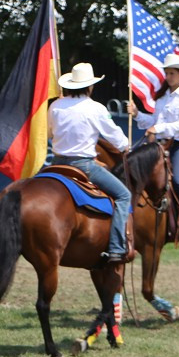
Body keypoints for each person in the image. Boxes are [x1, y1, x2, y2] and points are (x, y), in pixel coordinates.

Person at [48, 63, 132, 264]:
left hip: (56, 164)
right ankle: (116, 248)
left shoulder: (55, 106)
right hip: (83, 165)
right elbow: (114, 136)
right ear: (90, 86)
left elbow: (50, 134)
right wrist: (125, 145)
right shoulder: (95, 108)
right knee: (123, 195)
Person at [127, 53, 179, 246]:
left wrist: (158, 128)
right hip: (160, 145)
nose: (168, 76)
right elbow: (154, 122)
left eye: (172, 73)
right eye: (167, 73)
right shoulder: (163, 98)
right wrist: (137, 115)